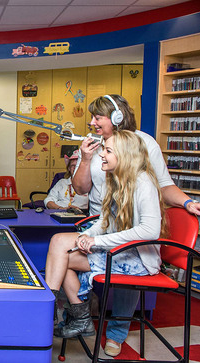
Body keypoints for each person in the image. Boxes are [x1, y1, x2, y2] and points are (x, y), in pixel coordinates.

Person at [71, 94, 200, 356]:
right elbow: (81, 188)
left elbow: (162, 186)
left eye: (98, 117)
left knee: (128, 263)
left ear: (117, 117)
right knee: (70, 253)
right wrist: (85, 159)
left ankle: (117, 332)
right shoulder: (93, 144)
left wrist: (187, 203)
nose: (92, 122)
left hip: (129, 222)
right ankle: (84, 312)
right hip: (100, 219)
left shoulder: (143, 142)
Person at [45, 131, 166, 346]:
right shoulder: (117, 180)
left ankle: (52, 312)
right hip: (122, 249)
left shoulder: (143, 182)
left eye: (108, 151)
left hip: (138, 259)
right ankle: (63, 311)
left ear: (125, 155)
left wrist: (97, 242)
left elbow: (150, 230)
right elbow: (106, 220)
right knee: (58, 242)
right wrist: (87, 234)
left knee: (60, 257)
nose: (102, 155)